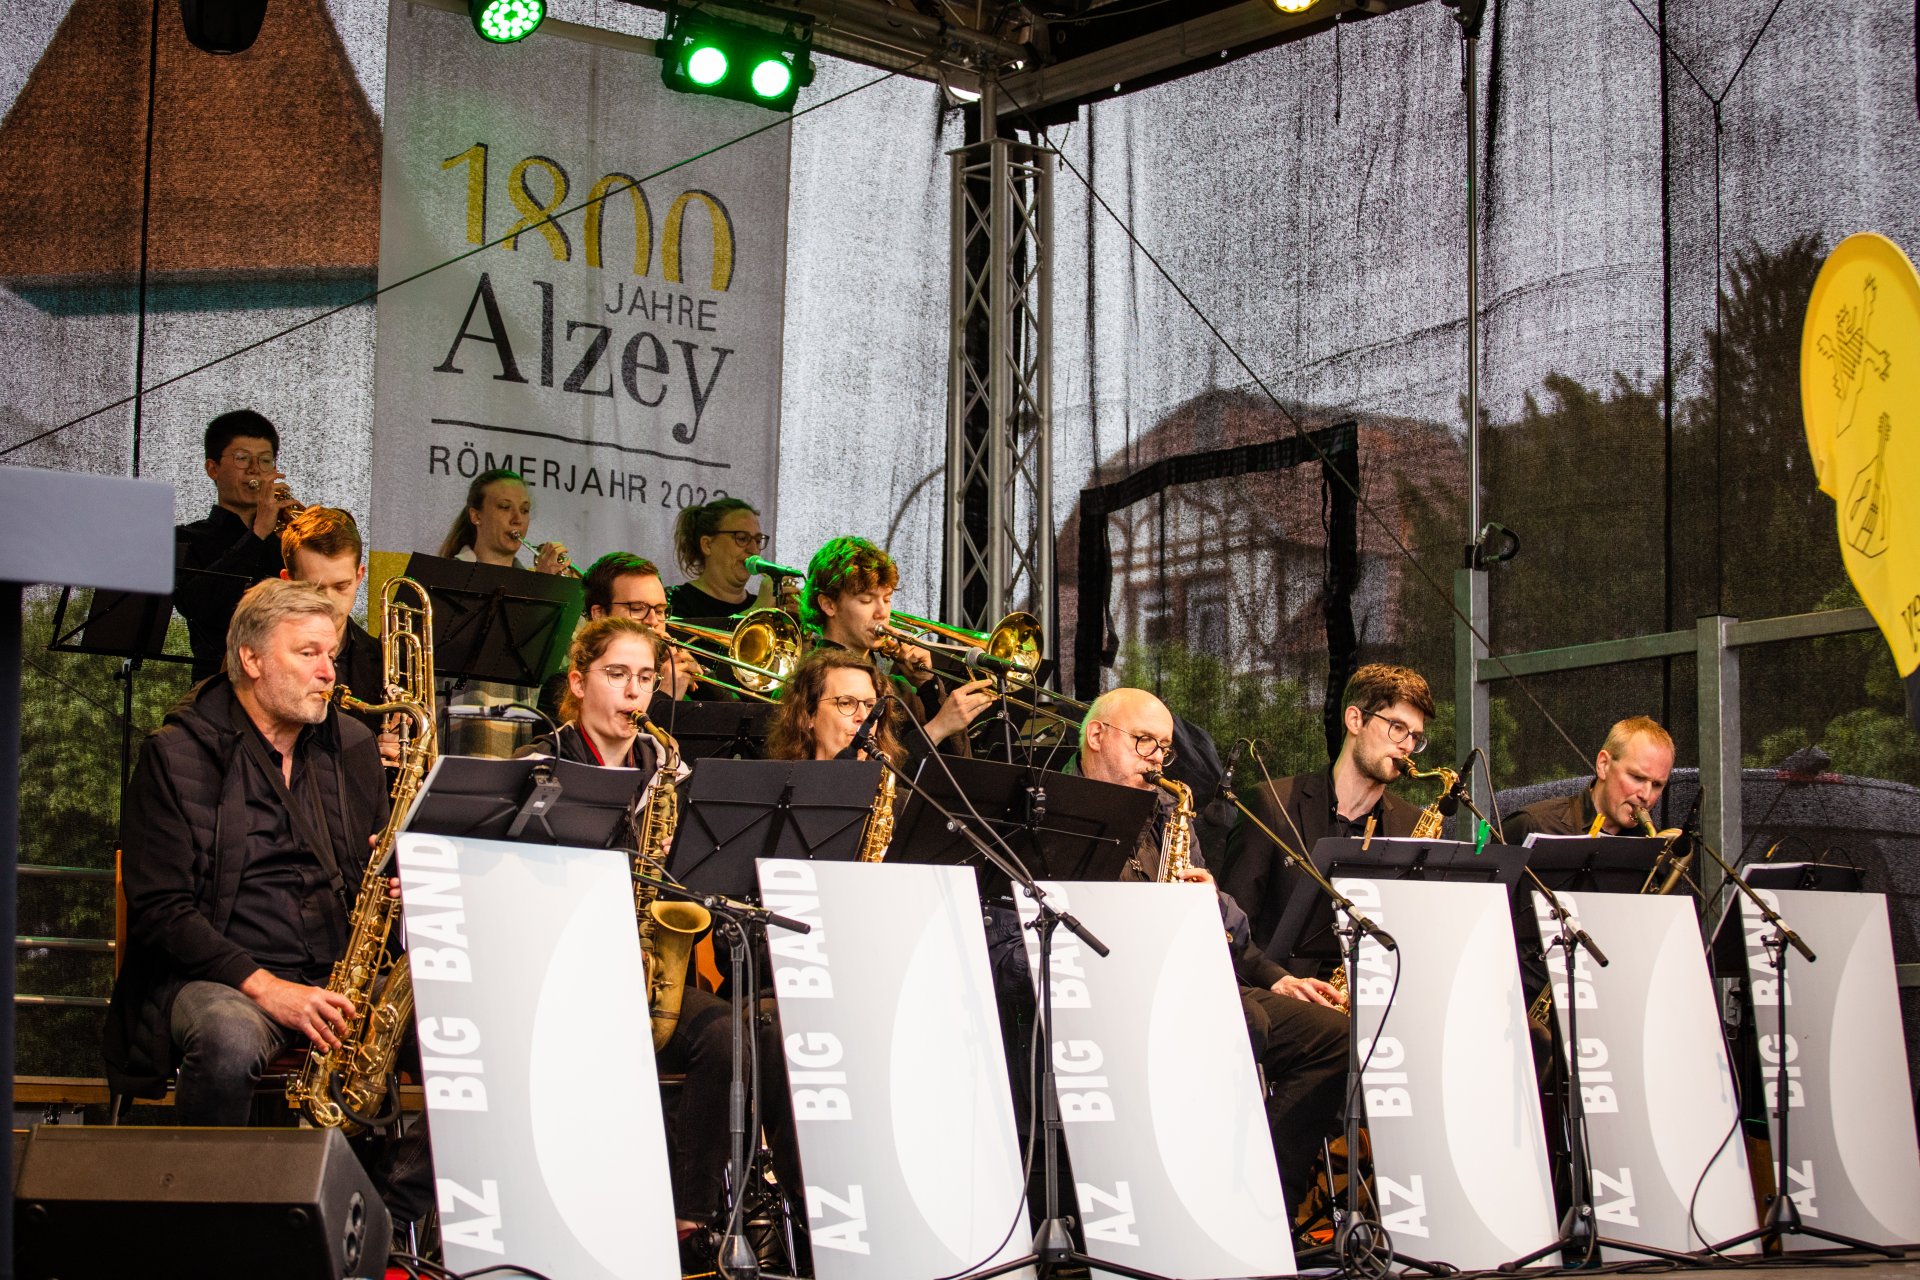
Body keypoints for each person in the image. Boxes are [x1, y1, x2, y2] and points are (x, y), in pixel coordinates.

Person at [517, 617, 793, 1265]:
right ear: (579, 681)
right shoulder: (540, 763)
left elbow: (699, 866)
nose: (633, 693)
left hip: (643, 971)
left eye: (644, 678)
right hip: (560, 975)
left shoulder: (665, 763)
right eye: (617, 676)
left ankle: (686, 1215)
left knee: (731, 1034)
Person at [1221, 664, 1431, 960]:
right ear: (1355, 719)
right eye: (1397, 728)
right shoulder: (1271, 804)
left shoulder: (1411, 824)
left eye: (1415, 737)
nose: (1407, 745)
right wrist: (1281, 982)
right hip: (1286, 995)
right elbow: (1229, 933)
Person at [800, 536, 995, 755]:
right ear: (828, 605)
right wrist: (937, 728)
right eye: (866, 600)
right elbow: (856, 770)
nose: (882, 612)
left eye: (887, 598)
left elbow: (955, 769)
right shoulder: (806, 682)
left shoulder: (899, 689)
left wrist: (928, 688)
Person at [174, 410, 299, 680]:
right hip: (217, 685)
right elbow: (197, 606)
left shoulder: (288, 541)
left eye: (265, 460)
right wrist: (257, 534)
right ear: (213, 469)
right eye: (242, 458)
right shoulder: (187, 538)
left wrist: (301, 551)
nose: (255, 469)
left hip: (287, 679)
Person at [276, 506, 401, 761]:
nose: (329, 602)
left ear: (359, 577)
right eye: (314, 588)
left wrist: (400, 750)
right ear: (288, 581)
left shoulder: (384, 663)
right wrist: (359, 756)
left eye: (341, 586)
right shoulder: (262, 657)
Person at [535, 553, 705, 722]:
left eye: (660, 611)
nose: (653, 621)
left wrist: (705, 682)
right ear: (599, 614)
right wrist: (665, 696)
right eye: (638, 608)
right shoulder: (563, 687)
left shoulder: (674, 675)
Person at [1501, 715, 1675, 841]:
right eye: (1637, 777)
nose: (1646, 795)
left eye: (1657, 785)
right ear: (1603, 764)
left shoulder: (1654, 848)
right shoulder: (1533, 825)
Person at [764, 647, 906, 765]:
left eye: (870, 705)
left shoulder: (902, 799)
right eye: (846, 703)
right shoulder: (774, 793)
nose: (863, 716)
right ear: (807, 716)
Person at [436, 468, 571, 574]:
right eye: (505, 507)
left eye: (524, 510)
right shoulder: (443, 575)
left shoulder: (527, 579)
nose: (517, 520)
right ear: (476, 516)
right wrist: (540, 587)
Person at [667, 497, 773, 620]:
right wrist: (757, 611)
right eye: (742, 538)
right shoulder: (674, 601)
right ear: (707, 545)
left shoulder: (762, 605)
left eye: (758, 541)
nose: (754, 550)